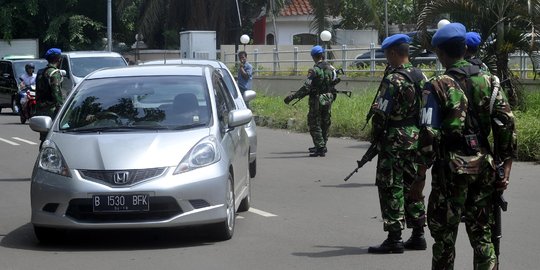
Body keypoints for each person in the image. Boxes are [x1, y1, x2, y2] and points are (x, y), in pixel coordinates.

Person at [418, 23, 517, 270]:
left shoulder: (436, 85)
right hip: (484, 167)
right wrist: (506, 165)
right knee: (483, 233)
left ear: (440, 53)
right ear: (464, 48)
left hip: (449, 171)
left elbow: (428, 133)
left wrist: (420, 172)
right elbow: (506, 122)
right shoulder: (490, 81)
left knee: (444, 238)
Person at [367, 34, 428, 254]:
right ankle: (418, 234)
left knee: (391, 185)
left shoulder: (393, 80)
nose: (386, 59)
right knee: (413, 186)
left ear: (394, 53)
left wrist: (376, 137)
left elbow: (381, 113)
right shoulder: (421, 76)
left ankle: (394, 238)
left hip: (394, 138)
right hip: (416, 137)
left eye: (386, 55)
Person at [283, 45, 335, 157]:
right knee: (325, 121)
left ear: (313, 57)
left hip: (316, 100)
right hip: (328, 98)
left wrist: (293, 97)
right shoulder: (331, 68)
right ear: (322, 55)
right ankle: (322, 145)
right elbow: (334, 82)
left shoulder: (314, 70)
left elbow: (306, 87)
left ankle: (320, 147)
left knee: (314, 122)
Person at [36, 48, 64, 148]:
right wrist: (61, 108)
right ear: (58, 59)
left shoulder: (40, 72)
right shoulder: (54, 73)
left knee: (44, 138)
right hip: (52, 110)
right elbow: (56, 92)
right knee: (54, 138)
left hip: (41, 109)